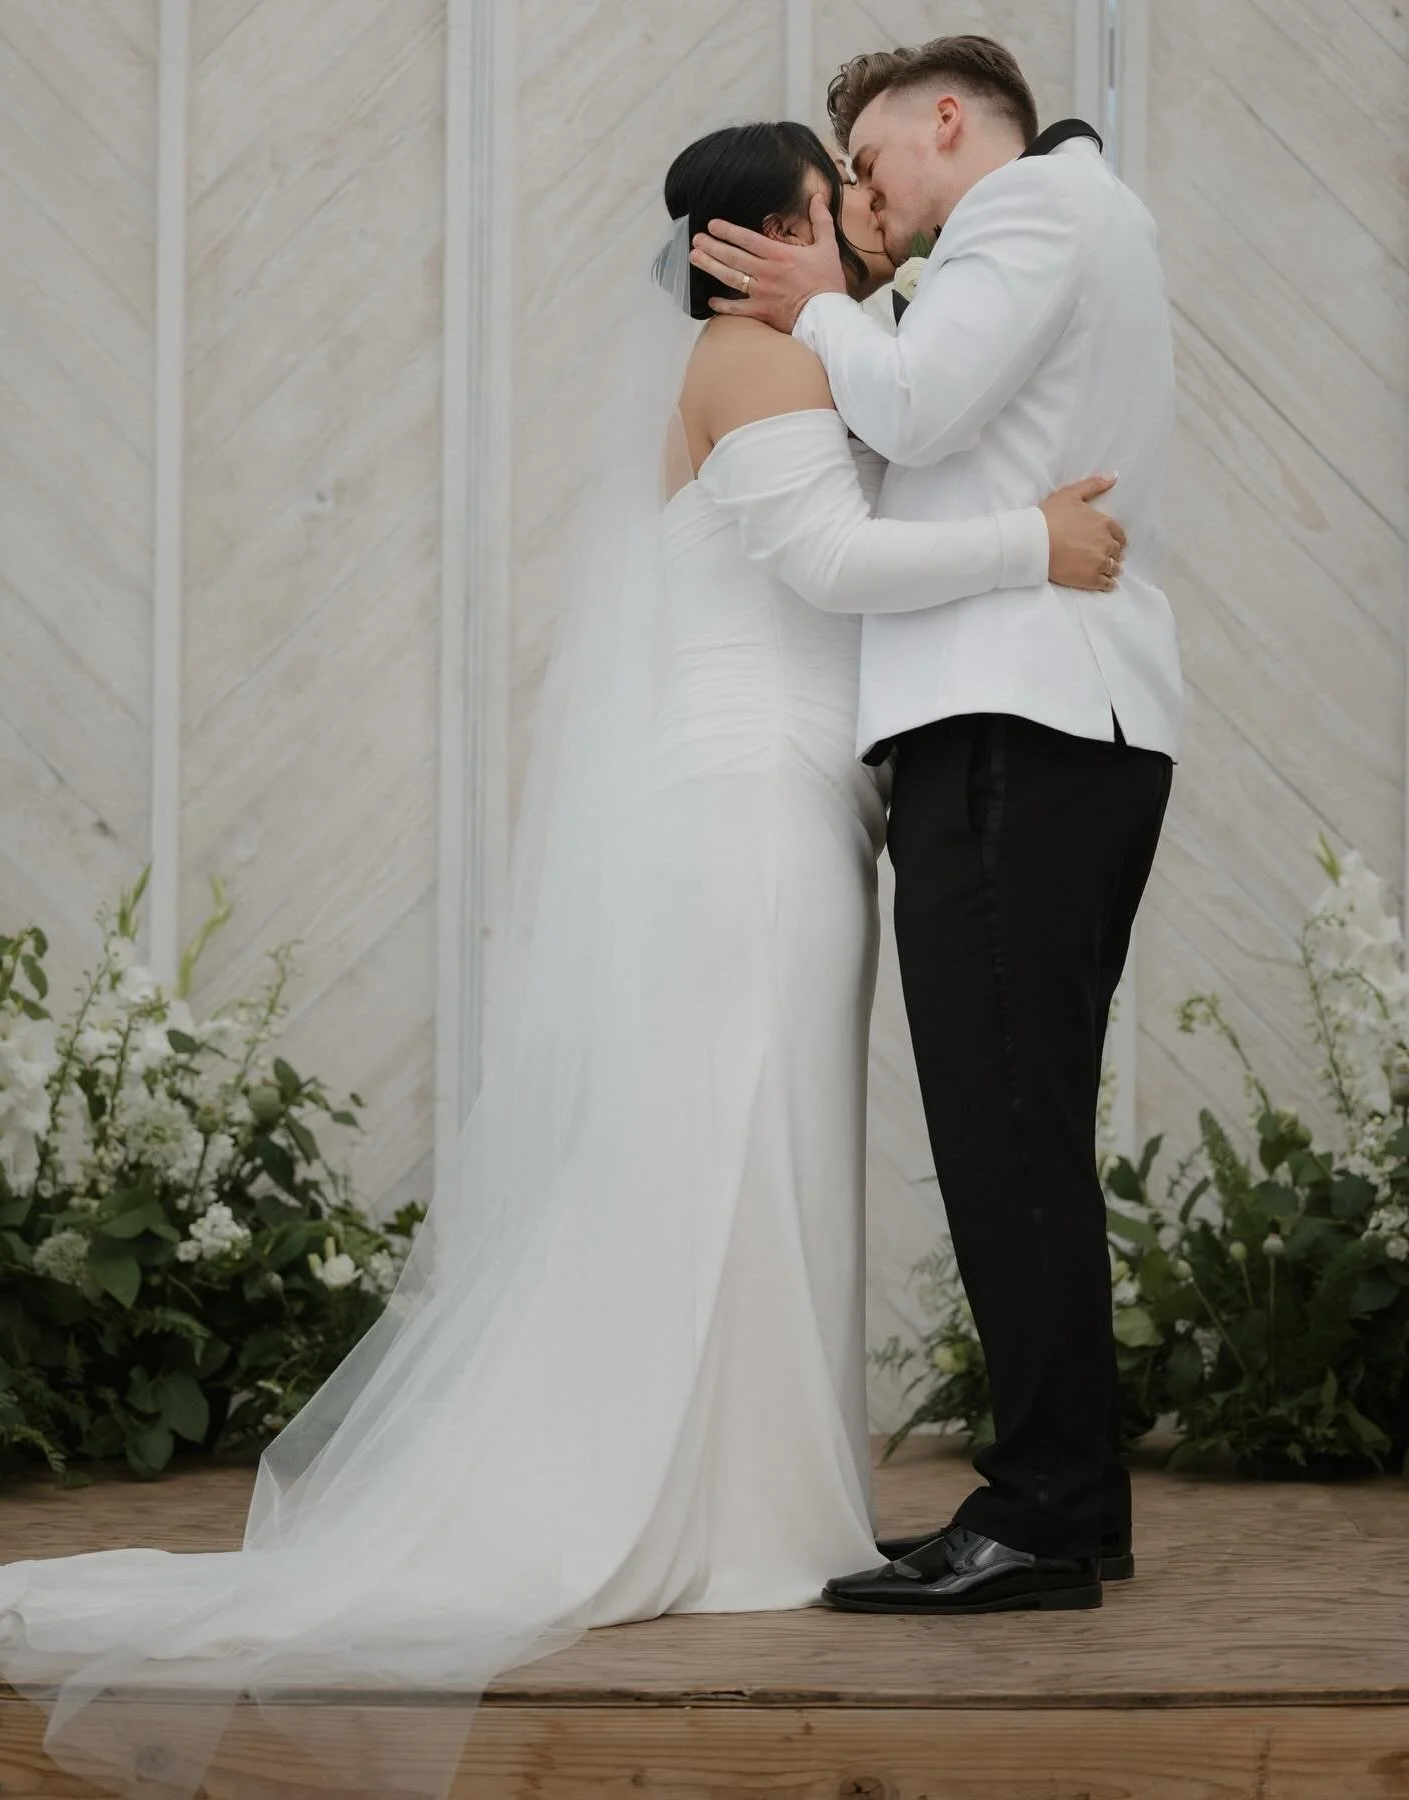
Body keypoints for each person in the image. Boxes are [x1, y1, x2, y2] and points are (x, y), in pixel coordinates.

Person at [0, 118, 1130, 1800]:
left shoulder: (811, 355)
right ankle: (707, 1511)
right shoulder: (752, 363)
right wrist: (1041, 544)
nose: (862, 223)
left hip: (795, 803)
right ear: (760, 234)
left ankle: (756, 1504)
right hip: (749, 805)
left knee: (766, 1146)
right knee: (736, 1135)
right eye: (838, 195)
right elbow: (824, 565)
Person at [690, 36, 1182, 1616]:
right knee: (1017, 1130)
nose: (867, 208)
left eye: (871, 165)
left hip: (1010, 725)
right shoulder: (1062, 227)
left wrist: (809, 304)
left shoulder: (1036, 207)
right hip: (1045, 725)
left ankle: (1044, 1514)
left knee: (1004, 1134)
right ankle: (1067, 1503)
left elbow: (905, 406)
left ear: (949, 118)